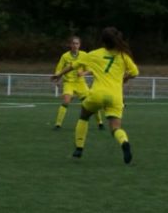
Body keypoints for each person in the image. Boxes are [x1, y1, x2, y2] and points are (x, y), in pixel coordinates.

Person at [51, 26, 138, 163]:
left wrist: (59, 74)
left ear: (102, 40)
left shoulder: (94, 54)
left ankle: (79, 148)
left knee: (84, 116)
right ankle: (124, 142)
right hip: (115, 96)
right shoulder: (123, 55)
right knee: (115, 128)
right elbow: (134, 73)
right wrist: (124, 78)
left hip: (97, 94)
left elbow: (73, 66)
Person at [51, 36, 103, 131]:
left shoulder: (84, 55)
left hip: (80, 83)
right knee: (66, 101)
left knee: (91, 102)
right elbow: (59, 69)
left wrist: (83, 73)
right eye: (73, 43)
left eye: (77, 43)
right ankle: (58, 124)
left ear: (80, 45)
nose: (75, 45)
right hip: (69, 83)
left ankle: (100, 123)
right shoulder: (65, 56)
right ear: (70, 45)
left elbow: (91, 69)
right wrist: (57, 78)